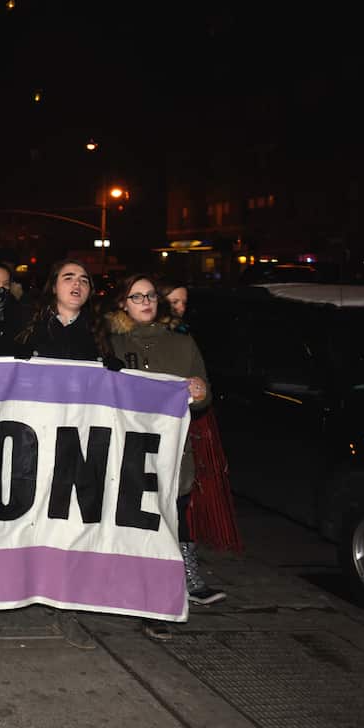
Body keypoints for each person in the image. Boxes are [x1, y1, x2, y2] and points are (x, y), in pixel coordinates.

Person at [106, 274, 227, 642]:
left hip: (171, 458)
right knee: (132, 534)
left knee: (165, 533)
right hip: (123, 455)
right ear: (123, 303)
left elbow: (202, 395)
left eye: (150, 296)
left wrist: (200, 390)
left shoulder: (181, 343)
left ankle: (156, 607)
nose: (145, 301)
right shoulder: (108, 342)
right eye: (136, 296)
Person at [13, 259, 120, 649]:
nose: (77, 284)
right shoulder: (27, 324)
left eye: (84, 280)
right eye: (68, 277)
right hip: (33, 437)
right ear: (53, 285)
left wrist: (114, 370)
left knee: (67, 515)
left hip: (76, 439)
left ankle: (63, 602)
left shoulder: (99, 333)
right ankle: (20, 583)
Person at [153, 278, 243, 553]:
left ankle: (186, 567)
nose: (180, 308)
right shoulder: (127, 338)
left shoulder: (184, 339)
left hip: (181, 437)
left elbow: (203, 388)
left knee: (180, 502)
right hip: (144, 437)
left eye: (184, 303)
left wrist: (199, 392)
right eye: (174, 302)